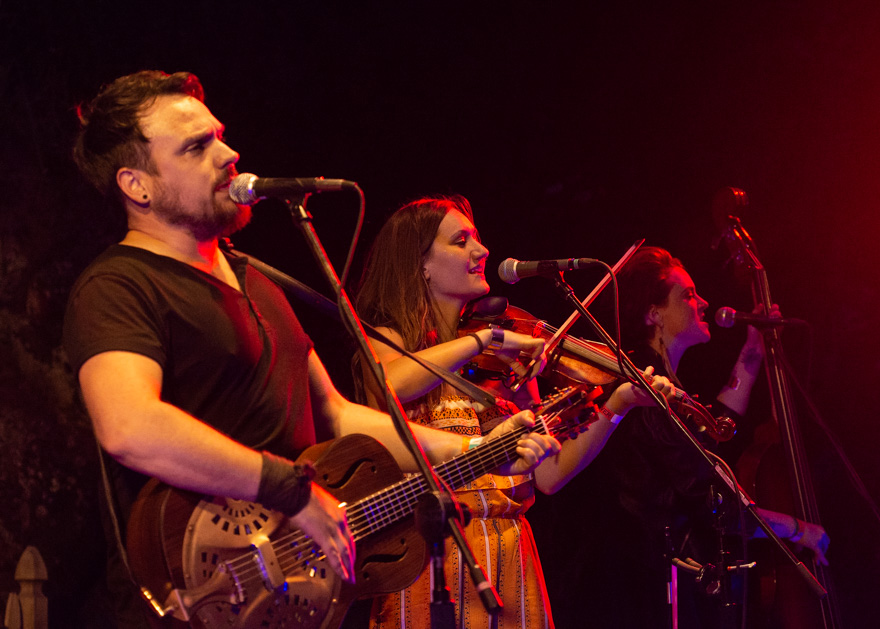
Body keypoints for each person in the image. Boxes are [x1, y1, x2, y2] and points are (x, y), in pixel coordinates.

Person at [62, 70, 560, 627]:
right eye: (197, 146)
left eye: (220, 134)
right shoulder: (118, 286)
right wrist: (292, 491)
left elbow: (336, 413)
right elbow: (130, 426)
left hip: (288, 596)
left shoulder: (258, 282)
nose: (228, 153)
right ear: (138, 186)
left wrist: (470, 450)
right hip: (196, 594)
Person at [352, 196, 673, 629]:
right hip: (430, 556)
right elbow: (391, 383)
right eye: (460, 240)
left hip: (509, 552)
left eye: (477, 239)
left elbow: (548, 474)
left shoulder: (506, 363)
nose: (481, 251)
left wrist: (618, 405)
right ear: (420, 263)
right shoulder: (387, 340)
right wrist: (487, 340)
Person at [541, 245, 829, 628]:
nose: (704, 302)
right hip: (634, 587)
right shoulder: (644, 387)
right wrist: (797, 529)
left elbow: (715, 428)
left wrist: (753, 351)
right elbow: (712, 502)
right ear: (654, 314)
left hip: (645, 579)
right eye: (689, 295)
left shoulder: (661, 381)